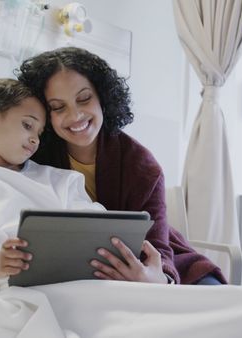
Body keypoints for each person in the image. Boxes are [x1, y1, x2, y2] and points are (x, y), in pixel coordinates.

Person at [17, 47, 225, 285]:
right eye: (58, 107)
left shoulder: (142, 166)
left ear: (103, 97)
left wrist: (157, 277)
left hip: (145, 255)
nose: (75, 115)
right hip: (72, 264)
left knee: (209, 289)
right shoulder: (33, 151)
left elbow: (157, 245)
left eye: (84, 99)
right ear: (43, 112)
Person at [0, 79, 136, 279]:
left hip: (75, 276)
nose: (35, 139)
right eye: (28, 125)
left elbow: (101, 229)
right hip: (9, 276)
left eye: (40, 132)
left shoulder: (60, 180)